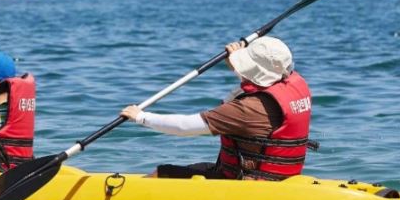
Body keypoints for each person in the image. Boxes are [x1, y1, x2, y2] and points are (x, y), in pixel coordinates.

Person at [120, 36, 312, 180]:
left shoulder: (248, 109)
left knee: (163, 173)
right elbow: (258, 84)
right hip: (279, 179)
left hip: (246, 185)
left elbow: (185, 127)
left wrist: (141, 117)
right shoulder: (296, 85)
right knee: (199, 167)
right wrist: (239, 66)